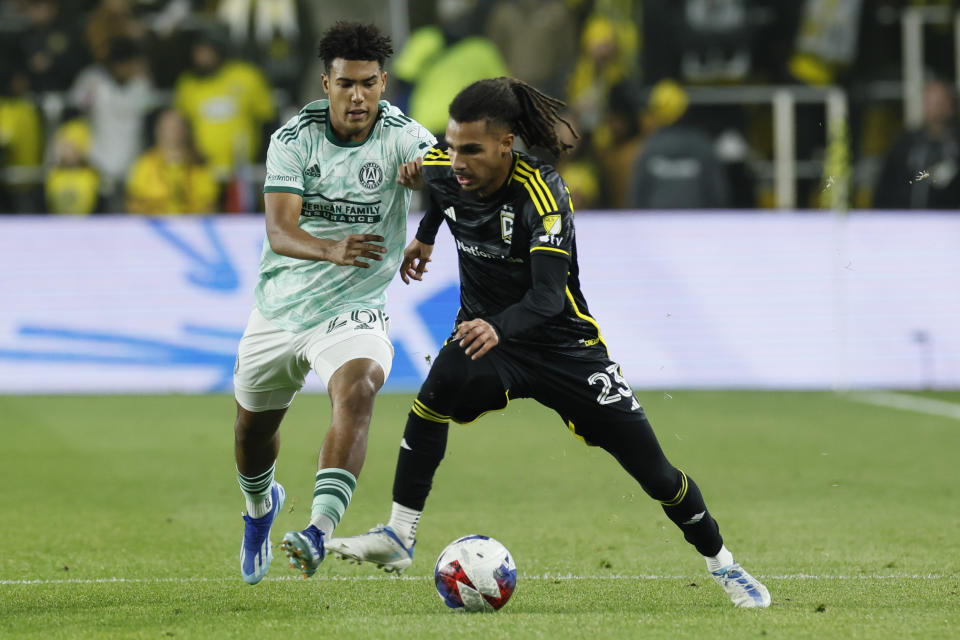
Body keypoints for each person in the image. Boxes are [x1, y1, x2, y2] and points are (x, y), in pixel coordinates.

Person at [326, 77, 771, 609]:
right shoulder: (444, 170)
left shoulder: (543, 192)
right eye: (450, 145)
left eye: (471, 149)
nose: (456, 159)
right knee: (434, 393)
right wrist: (424, 236)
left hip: (563, 347)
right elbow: (443, 196)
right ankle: (400, 535)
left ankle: (723, 563)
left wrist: (497, 326)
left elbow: (547, 298)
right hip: (489, 340)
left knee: (655, 472)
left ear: (505, 145)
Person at [232, 20, 436, 586]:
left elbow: (451, 180)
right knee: (251, 434)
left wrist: (428, 225)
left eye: (368, 84)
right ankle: (259, 509)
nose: (357, 97)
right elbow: (279, 231)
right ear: (325, 82)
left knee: (361, 384)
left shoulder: (406, 138)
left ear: (383, 82)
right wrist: (332, 247)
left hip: (354, 306)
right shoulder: (293, 139)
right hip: (281, 306)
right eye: (345, 84)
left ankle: (317, 530)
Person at [873, 78, 960, 210]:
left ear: (952, 105)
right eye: (932, 103)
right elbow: (886, 188)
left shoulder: (956, 145)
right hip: (908, 222)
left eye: (941, 102)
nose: (937, 109)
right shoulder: (907, 145)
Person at [125, 108, 219, 215]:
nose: (173, 132)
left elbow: (209, 204)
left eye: (177, 127)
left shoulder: (199, 165)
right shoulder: (144, 165)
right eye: (168, 127)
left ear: (186, 130)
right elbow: (135, 204)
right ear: (158, 130)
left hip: (194, 226)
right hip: (153, 226)